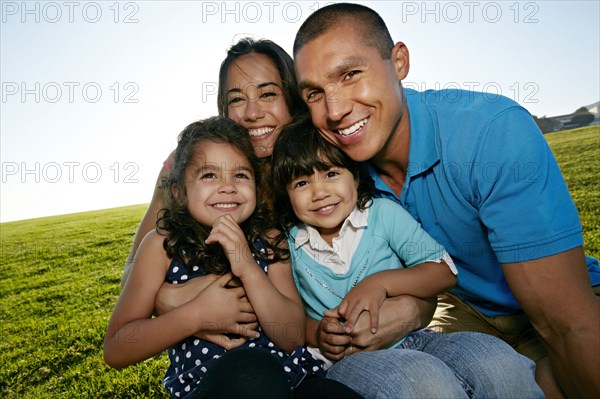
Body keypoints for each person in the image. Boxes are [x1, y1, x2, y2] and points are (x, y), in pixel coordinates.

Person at [292, 3, 600, 398]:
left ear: (398, 61)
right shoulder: (336, 173)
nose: (335, 110)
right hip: (464, 317)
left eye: (351, 74)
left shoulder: (490, 133)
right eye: (315, 93)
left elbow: (566, 324)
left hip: (567, 314)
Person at [270, 118, 543, 398]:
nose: (319, 192)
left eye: (331, 174)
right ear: (286, 194)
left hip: (416, 339)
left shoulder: (382, 214)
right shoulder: (289, 244)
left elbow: (443, 272)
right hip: (347, 362)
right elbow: (293, 319)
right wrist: (321, 335)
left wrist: (380, 284)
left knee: (497, 361)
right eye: (301, 183)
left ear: (354, 176)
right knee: (423, 381)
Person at [104, 117, 363, 399]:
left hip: (292, 380)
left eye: (240, 175)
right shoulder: (161, 246)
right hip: (214, 387)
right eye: (208, 175)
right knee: (251, 372)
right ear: (178, 192)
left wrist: (248, 267)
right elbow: (118, 347)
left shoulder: (270, 239)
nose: (227, 186)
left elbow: (292, 337)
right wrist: (197, 315)